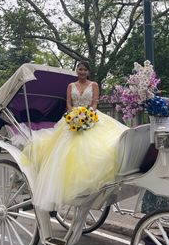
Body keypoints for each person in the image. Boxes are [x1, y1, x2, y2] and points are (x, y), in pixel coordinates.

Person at [21, 61, 128, 211]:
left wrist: (88, 115)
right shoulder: (71, 86)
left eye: (85, 69)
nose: (82, 72)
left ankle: (90, 184)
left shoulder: (94, 85)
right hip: (73, 119)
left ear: (88, 72)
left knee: (100, 147)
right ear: (77, 71)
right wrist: (75, 115)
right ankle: (65, 187)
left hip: (91, 117)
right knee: (63, 153)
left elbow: (95, 103)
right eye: (80, 69)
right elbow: (69, 104)